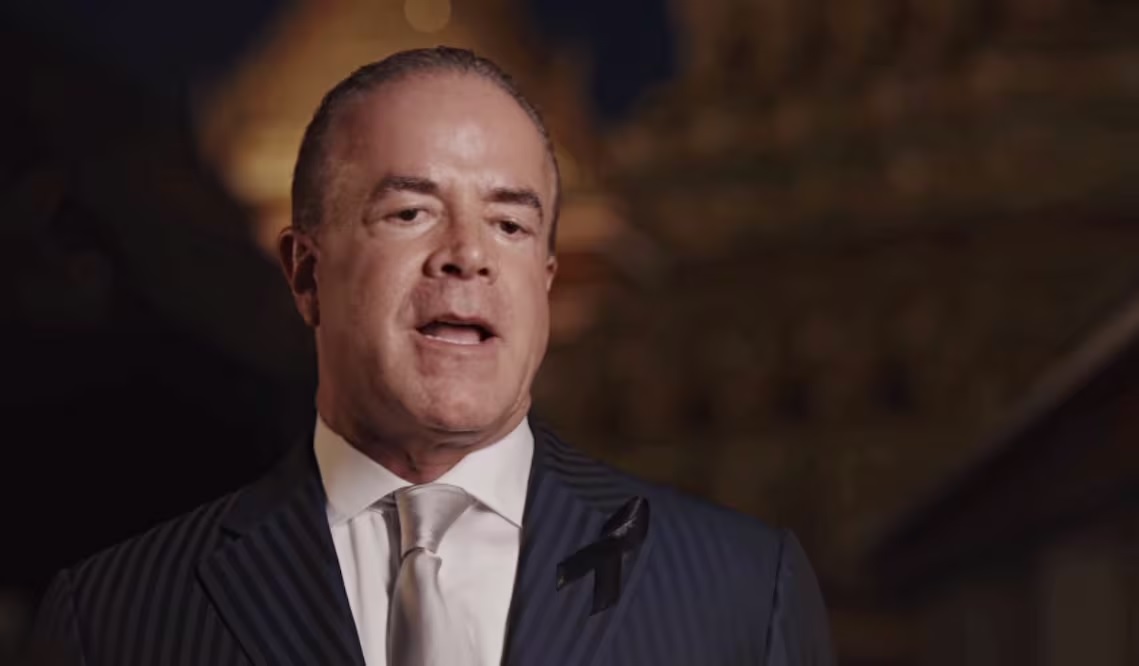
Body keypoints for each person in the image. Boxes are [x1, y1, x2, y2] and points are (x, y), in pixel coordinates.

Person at [30, 46, 833, 665]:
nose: (467, 256)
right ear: (305, 274)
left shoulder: (739, 592)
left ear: (546, 282)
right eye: (410, 214)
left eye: (509, 225)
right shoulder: (115, 618)